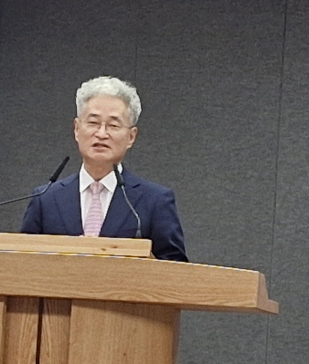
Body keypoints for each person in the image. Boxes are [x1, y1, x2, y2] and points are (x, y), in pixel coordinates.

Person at [20, 76, 188, 262]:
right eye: (93, 123)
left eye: (113, 125)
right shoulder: (46, 199)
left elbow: (175, 269)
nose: (101, 134)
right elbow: (22, 263)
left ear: (131, 137)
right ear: (77, 129)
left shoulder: (155, 201)